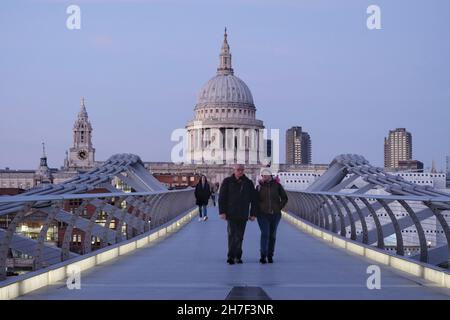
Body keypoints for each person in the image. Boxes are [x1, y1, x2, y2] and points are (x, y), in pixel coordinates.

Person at [219, 164, 258, 265]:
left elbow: (254, 199)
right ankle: (231, 256)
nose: (240, 171)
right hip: (230, 213)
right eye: (238, 170)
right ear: (234, 170)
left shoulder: (248, 183)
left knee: (240, 236)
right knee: (231, 235)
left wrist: (253, 213)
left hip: (243, 213)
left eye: (242, 170)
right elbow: (222, 198)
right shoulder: (227, 181)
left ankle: (238, 256)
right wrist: (222, 212)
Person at [256, 167, 288, 264]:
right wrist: (257, 210)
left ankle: (270, 255)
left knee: (272, 235)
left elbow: (284, 198)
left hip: (275, 214)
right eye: (263, 175)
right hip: (262, 214)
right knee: (265, 233)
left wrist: (278, 207)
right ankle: (263, 255)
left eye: (266, 174)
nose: (264, 176)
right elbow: (255, 200)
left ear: (270, 175)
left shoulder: (277, 186)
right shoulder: (259, 187)